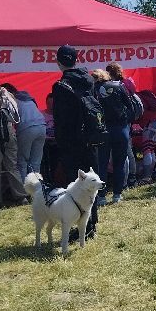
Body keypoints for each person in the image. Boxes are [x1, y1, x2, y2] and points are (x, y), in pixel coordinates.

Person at [52, 45, 100, 238]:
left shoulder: (61, 86)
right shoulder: (89, 80)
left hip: (72, 141)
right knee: (91, 182)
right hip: (90, 138)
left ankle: (81, 227)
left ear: (59, 62)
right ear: (76, 60)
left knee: (76, 185)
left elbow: (61, 120)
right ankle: (91, 224)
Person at [94, 66, 134, 204]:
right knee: (119, 163)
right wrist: (125, 121)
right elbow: (130, 106)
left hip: (103, 129)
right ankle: (117, 194)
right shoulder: (119, 86)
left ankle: (101, 196)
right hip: (120, 129)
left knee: (102, 164)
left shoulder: (94, 90)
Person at [0, 78, 28, 207]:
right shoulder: (6, 94)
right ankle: (19, 197)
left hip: (1, 135)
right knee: (10, 166)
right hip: (8, 134)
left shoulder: (3, 95)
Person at [7, 86, 47, 180]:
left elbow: (10, 120)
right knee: (36, 162)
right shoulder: (28, 98)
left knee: (22, 161)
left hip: (26, 128)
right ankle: (37, 188)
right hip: (41, 126)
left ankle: (24, 190)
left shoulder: (12, 101)